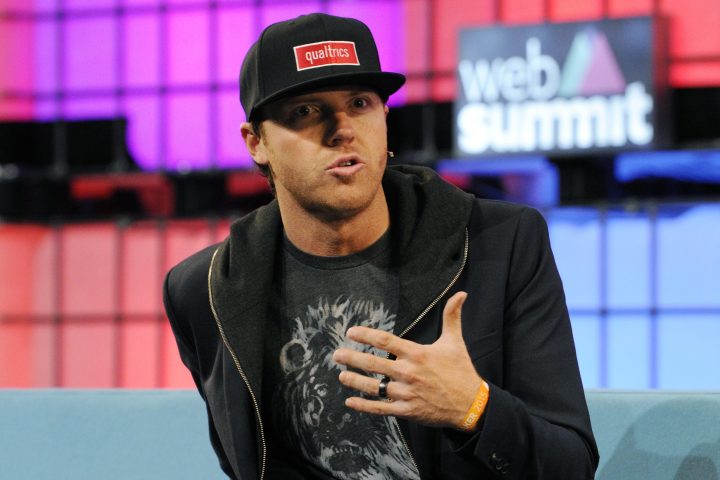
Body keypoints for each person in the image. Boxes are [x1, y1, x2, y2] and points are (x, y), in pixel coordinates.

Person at [163, 12, 599, 480]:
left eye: (359, 103)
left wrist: (472, 408)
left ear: (385, 117)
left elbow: (571, 467)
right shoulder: (206, 289)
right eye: (305, 112)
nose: (342, 129)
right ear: (256, 143)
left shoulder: (501, 243)